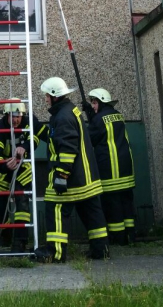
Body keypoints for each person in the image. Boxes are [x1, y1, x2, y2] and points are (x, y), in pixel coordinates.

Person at [35, 77, 109, 263]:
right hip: (86, 178)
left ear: (54, 96)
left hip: (72, 178)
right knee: (93, 215)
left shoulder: (62, 116)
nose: (45, 98)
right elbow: (57, 140)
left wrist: (61, 175)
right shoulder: (69, 111)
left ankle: (56, 253)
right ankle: (101, 250)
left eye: (47, 95)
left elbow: (67, 148)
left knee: (56, 209)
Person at [0, 101, 48, 253]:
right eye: (12, 116)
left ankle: (20, 242)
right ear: (6, 116)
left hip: (22, 169)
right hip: (2, 172)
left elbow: (37, 138)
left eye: (18, 116)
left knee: (22, 202)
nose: (16, 120)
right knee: (0, 208)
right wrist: (4, 164)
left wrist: (26, 147)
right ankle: (4, 236)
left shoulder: (29, 122)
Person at [83, 88, 135, 245]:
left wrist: (92, 119)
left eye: (94, 102)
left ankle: (117, 238)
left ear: (100, 102)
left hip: (110, 170)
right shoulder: (118, 115)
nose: (92, 106)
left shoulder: (99, 120)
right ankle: (130, 236)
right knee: (127, 204)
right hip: (126, 168)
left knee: (112, 207)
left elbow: (90, 139)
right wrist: (93, 116)